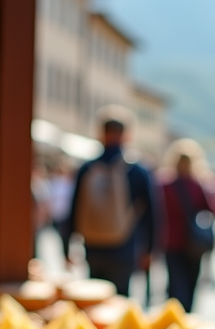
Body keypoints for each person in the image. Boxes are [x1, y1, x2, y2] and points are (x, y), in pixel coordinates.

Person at [62, 109, 158, 296]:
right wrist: (150, 250)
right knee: (119, 302)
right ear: (126, 135)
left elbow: (73, 209)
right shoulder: (137, 170)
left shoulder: (87, 169)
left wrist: (66, 247)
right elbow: (152, 213)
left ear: (101, 134)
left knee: (94, 298)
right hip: (124, 247)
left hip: (93, 247)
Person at [160, 139, 215, 312]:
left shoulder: (165, 184)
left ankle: (174, 318)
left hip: (171, 240)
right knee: (191, 283)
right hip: (194, 242)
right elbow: (214, 209)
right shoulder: (200, 184)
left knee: (174, 283)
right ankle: (187, 316)